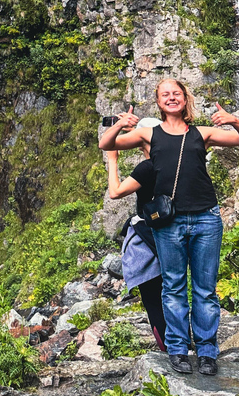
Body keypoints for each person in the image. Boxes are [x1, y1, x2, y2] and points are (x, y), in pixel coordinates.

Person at [98, 79, 239, 376]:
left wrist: (234, 120)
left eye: (177, 93)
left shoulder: (202, 133)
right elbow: (106, 145)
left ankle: (208, 352)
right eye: (165, 95)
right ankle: (178, 350)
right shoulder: (148, 135)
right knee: (173, 287)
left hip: (206, 218)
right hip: (168, 223)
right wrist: (120, 126)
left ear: (185, 99)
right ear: (159, 102)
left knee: (205, 289)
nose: (171, 98)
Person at [105, 117, 166, 352]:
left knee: (153, 298)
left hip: (150, 237)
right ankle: (183, 341)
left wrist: (112, 159)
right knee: (173, 292)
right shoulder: (174, 161)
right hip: (175, 232)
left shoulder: (147, 167)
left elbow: (115, 192)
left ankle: (168, 347)